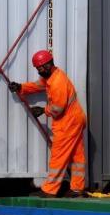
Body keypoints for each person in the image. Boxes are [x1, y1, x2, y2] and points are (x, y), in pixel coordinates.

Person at [8, 50, 87, 198]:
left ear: (49, 64)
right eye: (37, 69)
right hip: (74, 119)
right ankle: (77, 188)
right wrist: (21, 87)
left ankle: (50, 190)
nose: (39, 71)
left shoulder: (58, 82)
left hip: (68, 122)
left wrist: (43, 110)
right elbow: (38, 85)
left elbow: (58, 108)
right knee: (77, 155)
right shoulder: (52, 76)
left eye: (41, 68)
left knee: (59, 155)